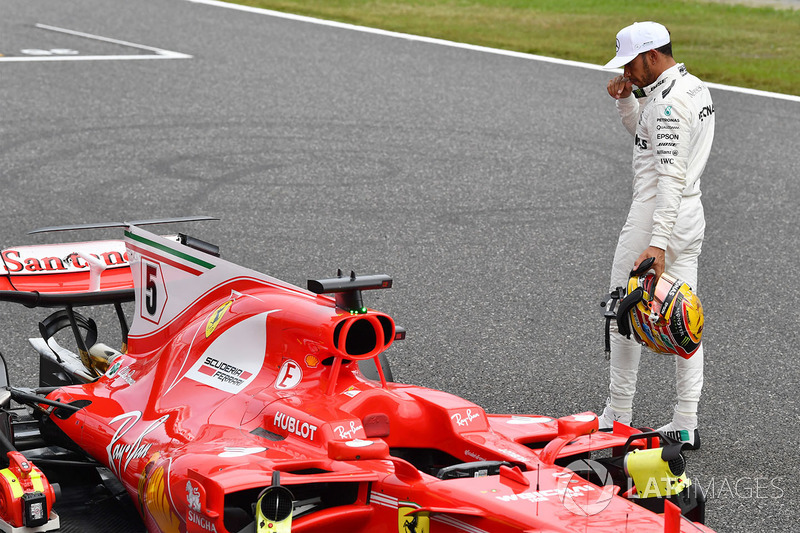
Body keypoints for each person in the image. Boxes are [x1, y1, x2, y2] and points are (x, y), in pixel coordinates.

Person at [599, 21, 715, 449]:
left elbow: (668, 176)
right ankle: (686, 419)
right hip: (690, 215)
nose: (626, 70)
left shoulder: (667, 104)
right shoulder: (692, 88)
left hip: (656, 219)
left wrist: (657, 243)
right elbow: (646, 139)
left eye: (630, 63)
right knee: (687, 316)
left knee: (622, 309)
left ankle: (618, 416)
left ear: (651, 55)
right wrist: (626, 101)